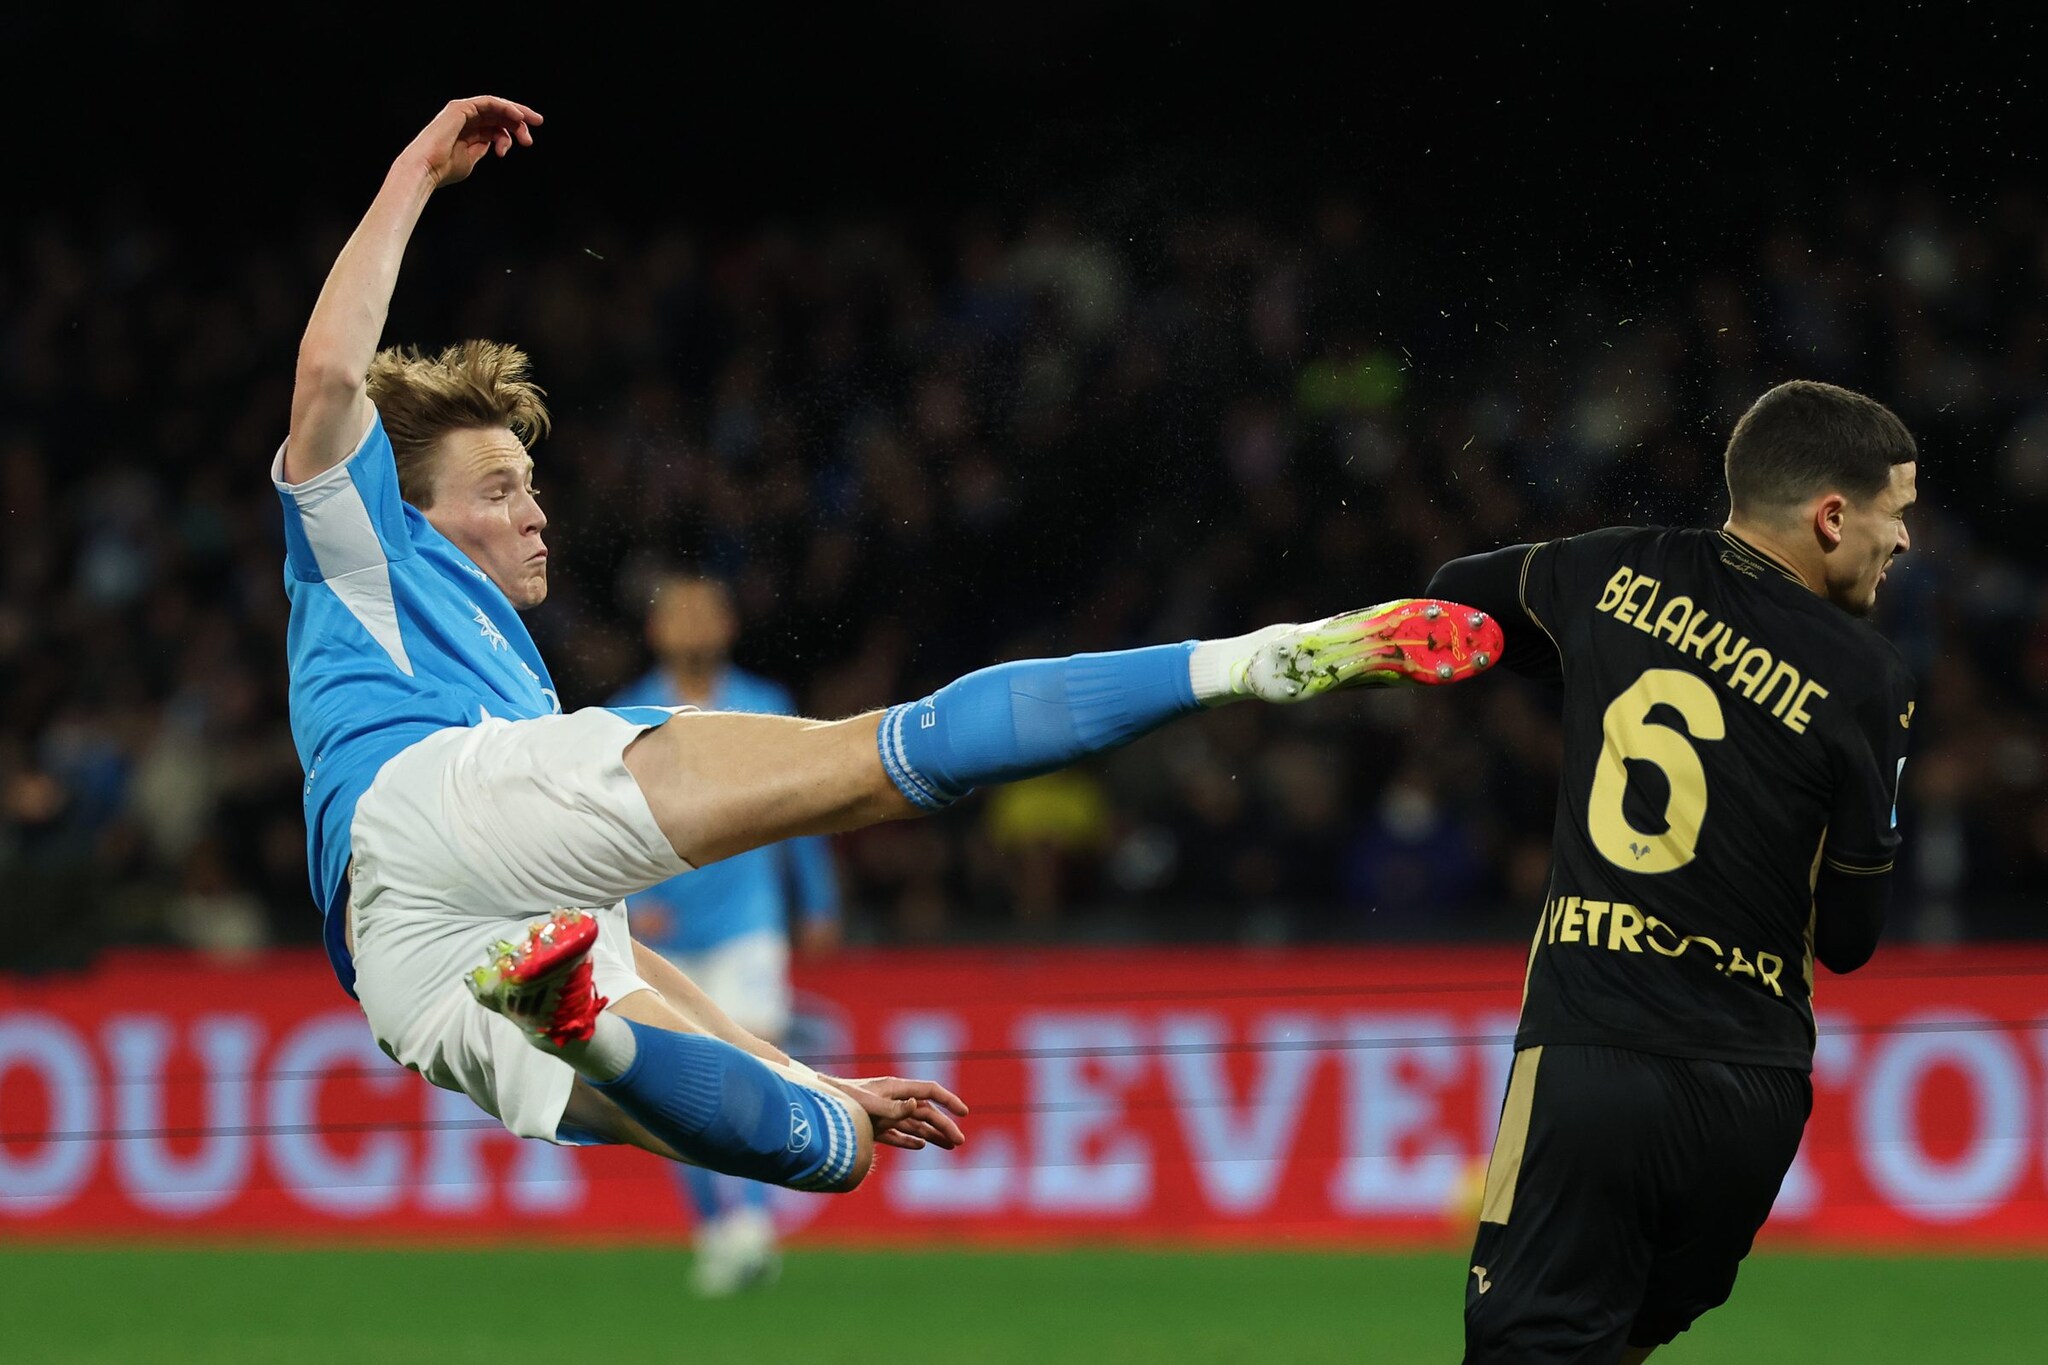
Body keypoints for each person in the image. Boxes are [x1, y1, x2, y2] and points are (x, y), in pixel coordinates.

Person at [274, 96, 1506, 1201]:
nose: (536, 513)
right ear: (404, 501)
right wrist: (416, 173)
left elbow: (606, 940)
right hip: (427, 807)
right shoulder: (358, 544)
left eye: (533, 485)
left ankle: (585, 1034)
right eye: (499, 489)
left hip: (406, 965)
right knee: (877, 758)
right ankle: (1251, 661)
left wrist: (803, 1073)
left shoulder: (504, 679)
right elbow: (331, 373)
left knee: (829, 1147)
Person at [1426, 378, 1917, 1362]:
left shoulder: (1611, 572)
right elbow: (1848, 940)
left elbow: (1451, 601)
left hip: (1594, 1060)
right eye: (1895, 511)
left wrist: (1586, 659)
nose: (1903, 539)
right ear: (1831, 517)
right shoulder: (1869, 679)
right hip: (1751, 1097)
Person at [610, 572, 844, 1293]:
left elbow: (805, 804)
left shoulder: (764, 705)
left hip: (748, 921)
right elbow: (601, 825)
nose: (693, 624)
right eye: (679, 613)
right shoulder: (623, 715)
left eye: (705, 612)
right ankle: (717, 1228)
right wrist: (628, 902)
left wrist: (818, 899)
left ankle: (754, 1224)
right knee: (678, 1088)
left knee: (756, 1069)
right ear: (655, 630)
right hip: (662, 933)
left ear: (728, 625)